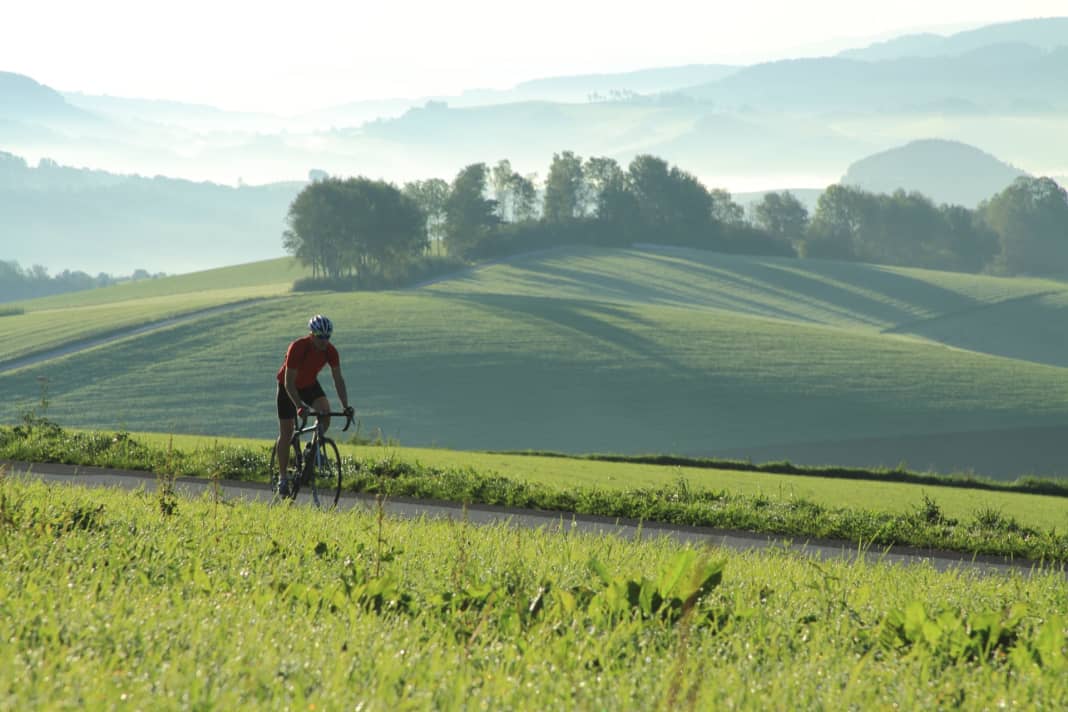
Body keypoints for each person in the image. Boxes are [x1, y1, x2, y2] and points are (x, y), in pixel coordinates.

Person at [275, 314, 353, 496]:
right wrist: (299, 406)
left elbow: (338, 379)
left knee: (325, 412)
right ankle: (282, 478)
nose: (324, 341)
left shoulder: (330, 351)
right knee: (287, 432)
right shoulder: (298, 347)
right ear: (312, 335)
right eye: (320, 337)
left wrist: (346, 406)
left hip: (309, 384)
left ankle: (312, 450)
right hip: (288, 387)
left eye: (327, 337)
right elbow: (288, 382)